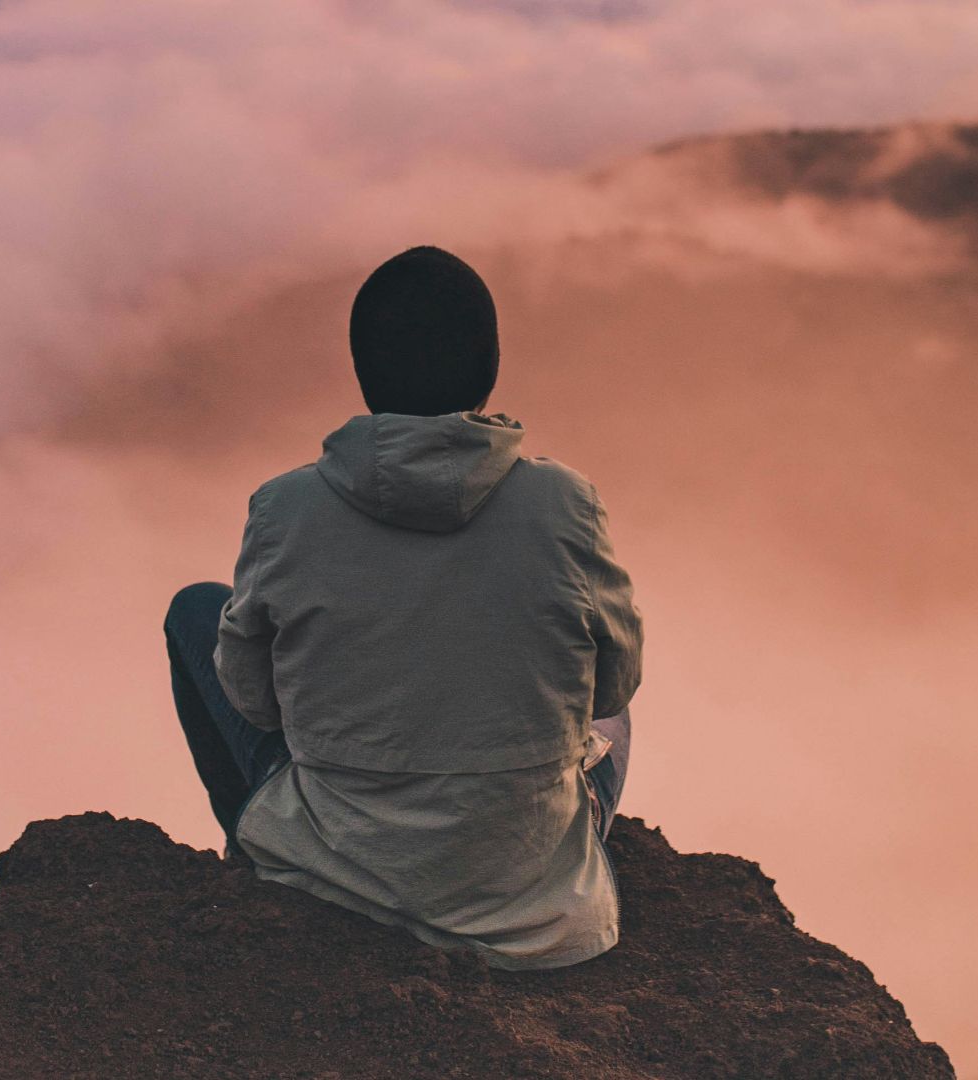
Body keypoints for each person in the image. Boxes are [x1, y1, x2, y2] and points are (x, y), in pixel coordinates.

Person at [162, 245, 641, 970]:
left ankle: (255, 854)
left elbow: (254, 704)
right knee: (613, 723)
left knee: (196, 612)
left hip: (337, 864)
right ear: (489, 369)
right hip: (531, 902)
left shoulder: (285, 507)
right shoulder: (566, 503)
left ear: (364, 373)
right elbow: (611, 689)